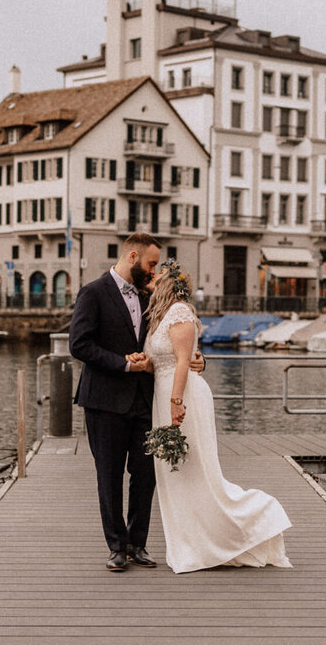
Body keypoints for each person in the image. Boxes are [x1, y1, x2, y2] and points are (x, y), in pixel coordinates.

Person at [144, 258, 292, 573]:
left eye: (158, 274)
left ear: (168, 282)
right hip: (164, 396)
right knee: (177, 475)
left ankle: (257, 516)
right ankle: (192, 540)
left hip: (182, 399)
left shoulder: (180, 312)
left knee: (197, 472)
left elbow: (183, 361)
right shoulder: (160, 316)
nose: (153, 277)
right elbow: (163, 359)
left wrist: (176, 401)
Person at [70, 233, 204, 572]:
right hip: (104, 402)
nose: (153, 270)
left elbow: (174, 344)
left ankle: (137, 543)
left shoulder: (150, 298)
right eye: (151, 264)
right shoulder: (93, 293)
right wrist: (125, 363)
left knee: (146, 475)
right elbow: (79, 345)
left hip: (145, 402)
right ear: (133, 257)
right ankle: (116, 546)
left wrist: (197, 359)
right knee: (110, 476)